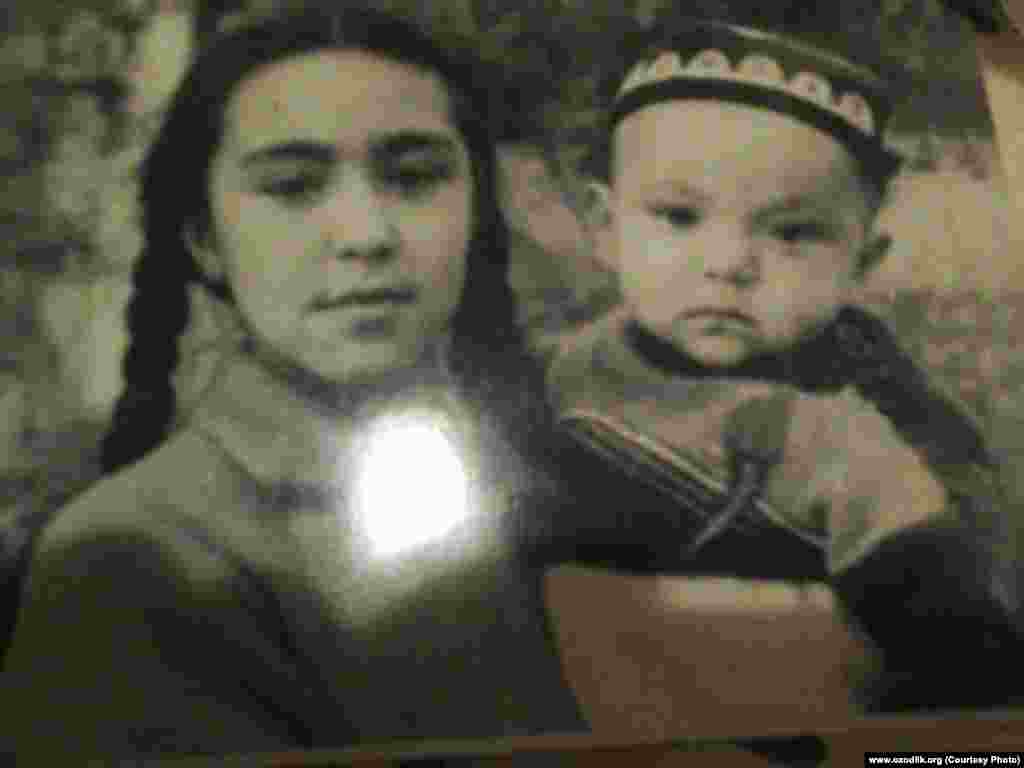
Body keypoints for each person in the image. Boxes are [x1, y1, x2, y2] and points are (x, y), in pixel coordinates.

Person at [0, 6, 589, 762]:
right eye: (292, 187)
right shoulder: (127, 555)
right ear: (205, 239)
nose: (366, 234)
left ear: (476, 213)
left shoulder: (547, 490)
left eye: (414, 178)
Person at [540, 13, 1024, 738]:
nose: (729, 263)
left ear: (861, 263)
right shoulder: (564, 365)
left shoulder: (854, 450)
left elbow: (972, 681)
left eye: (793, 232)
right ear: (605, 228)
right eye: (679, 216)